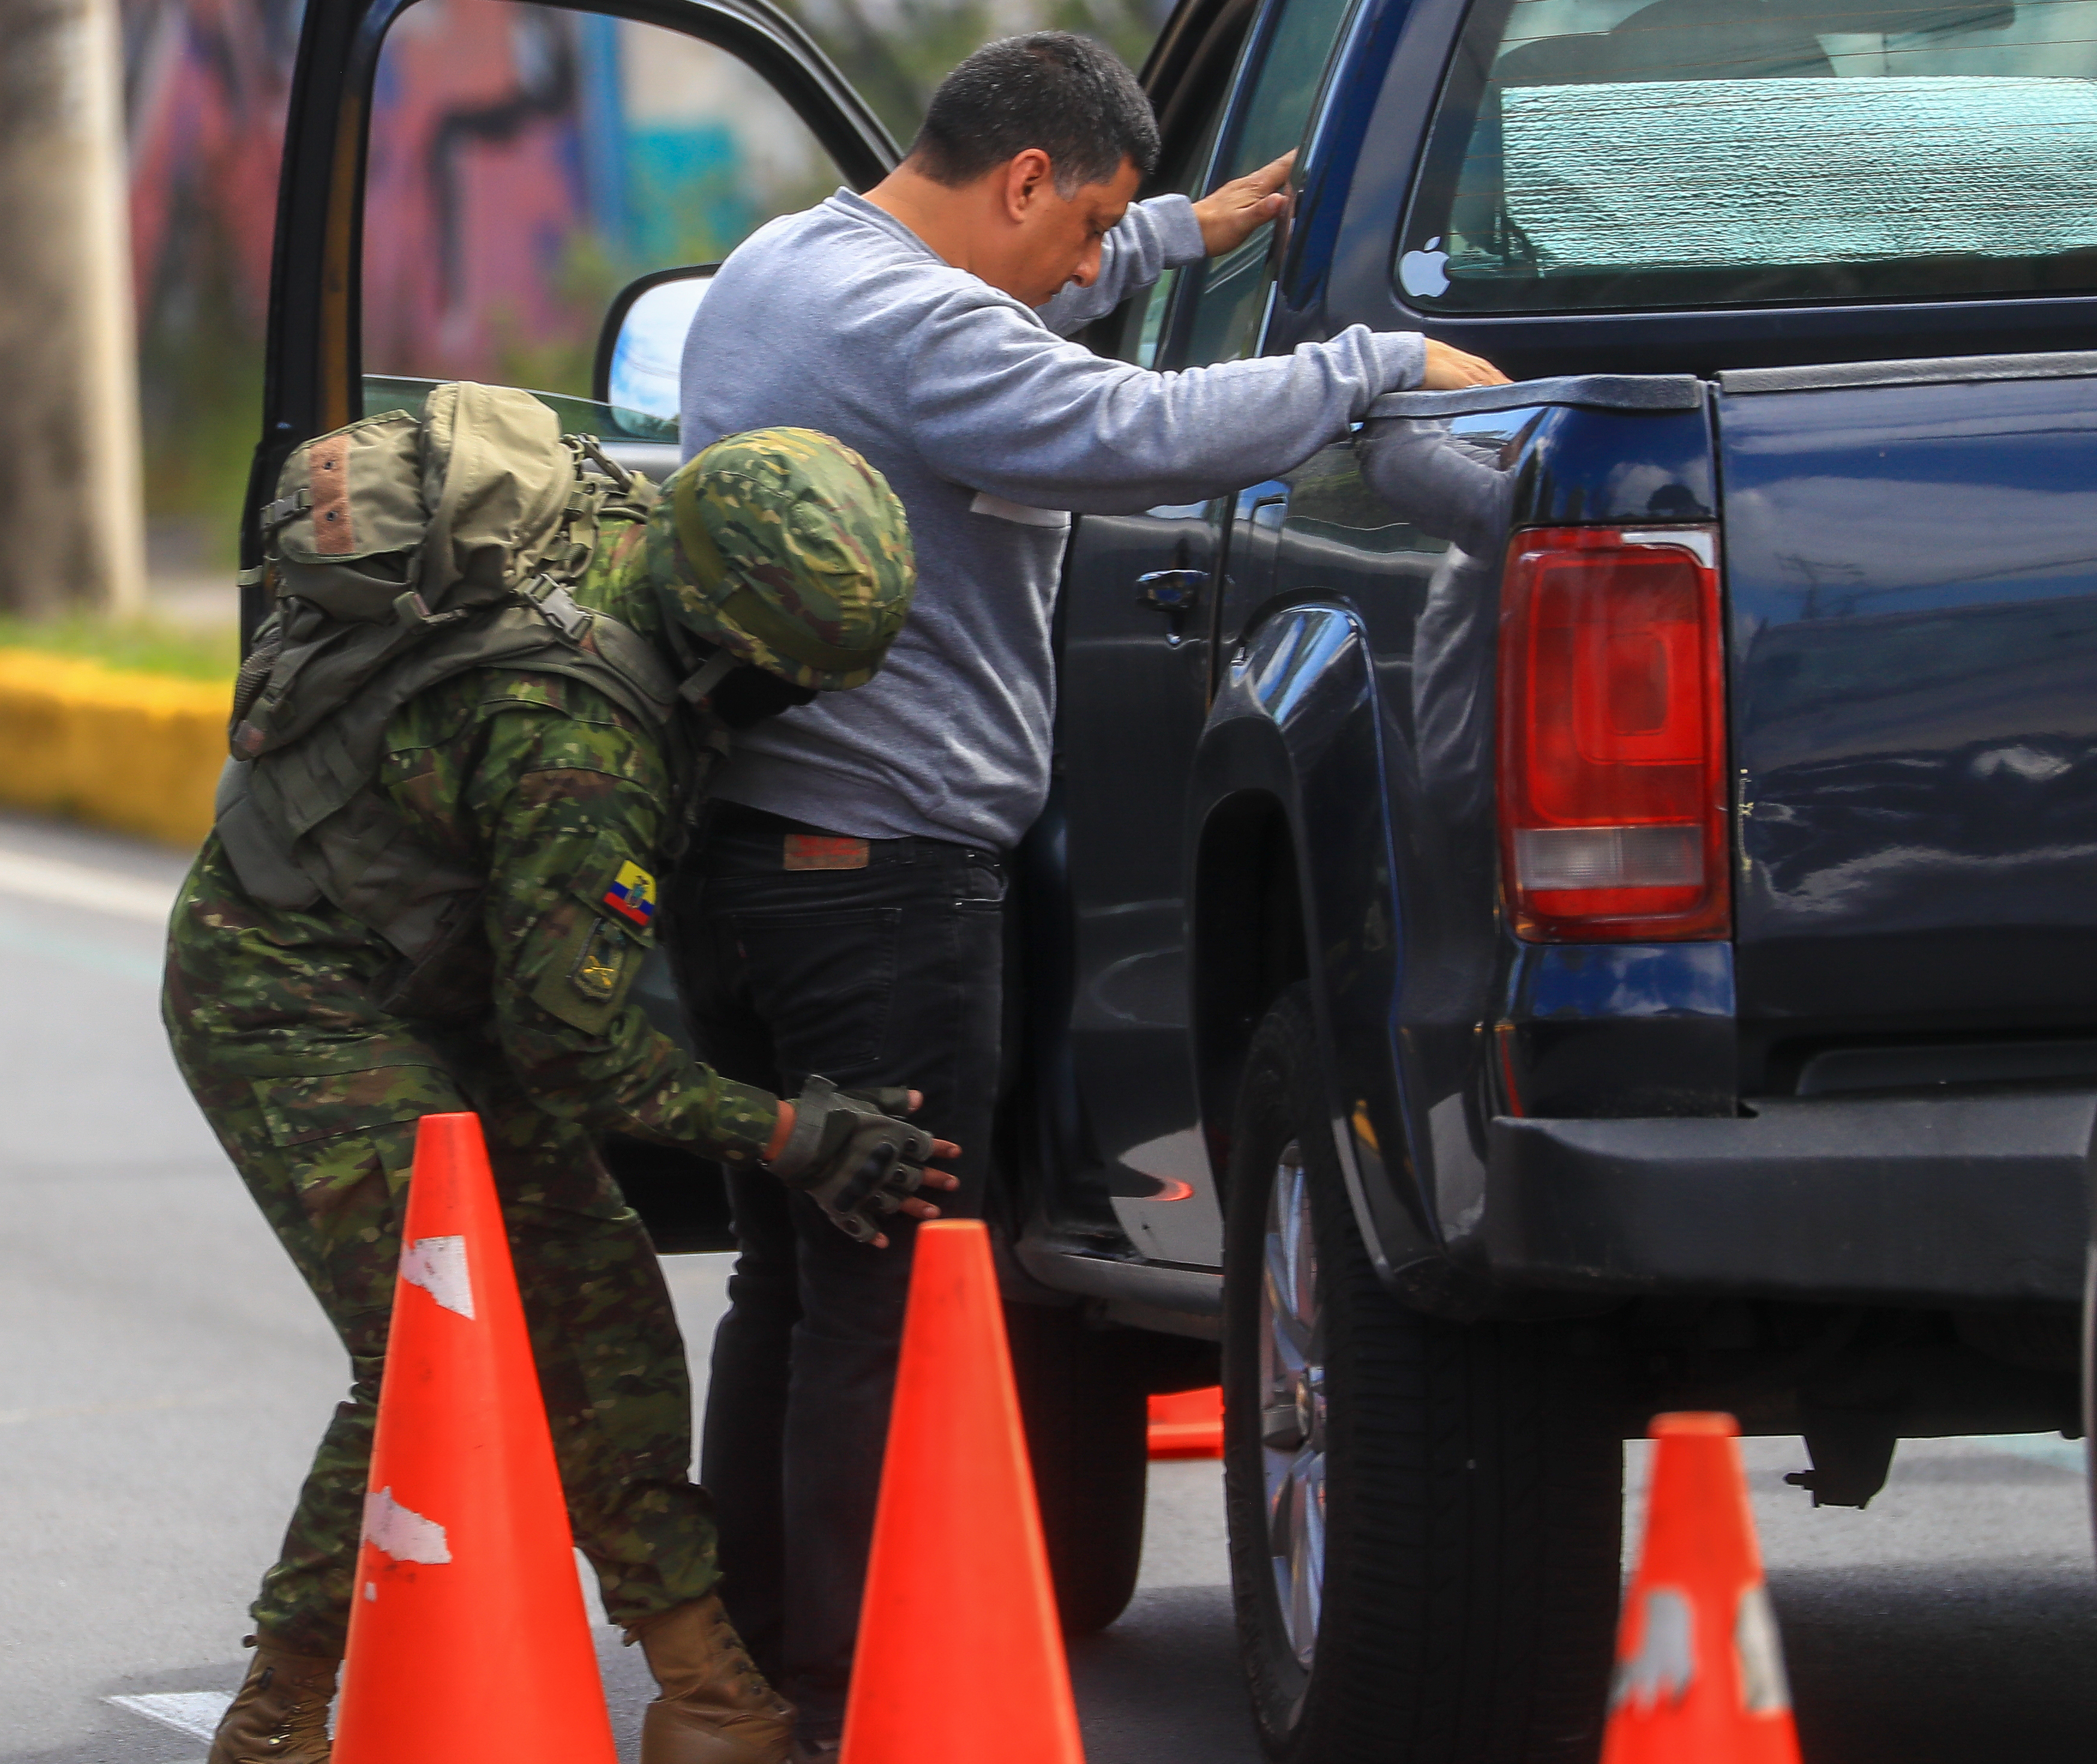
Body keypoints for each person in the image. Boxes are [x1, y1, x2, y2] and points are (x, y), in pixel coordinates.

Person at [663, 28, 1509, 1756]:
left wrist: (1180, 234)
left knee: (789, 1276)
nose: (1080, 272)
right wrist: (1373, 359)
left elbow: (1040, 301)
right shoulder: (931, 330)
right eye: (1082, 227)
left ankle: (750, 1645)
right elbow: (1130, 425)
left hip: (750, 865)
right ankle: (849, 1680)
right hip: (880, 887)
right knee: (887, 1290)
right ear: (1024, 177)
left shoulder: (788, 266)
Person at [166, 403, 952, 1764]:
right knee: (436, 1344)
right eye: (785, 686)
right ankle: (281, 1704)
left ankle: (704, 1687)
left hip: (434, 982)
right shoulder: (580, 733)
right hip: (289, 995)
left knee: (605, 1314)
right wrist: (794, 1137)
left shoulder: (653, 553)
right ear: (724, 647)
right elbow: (573, 1050)